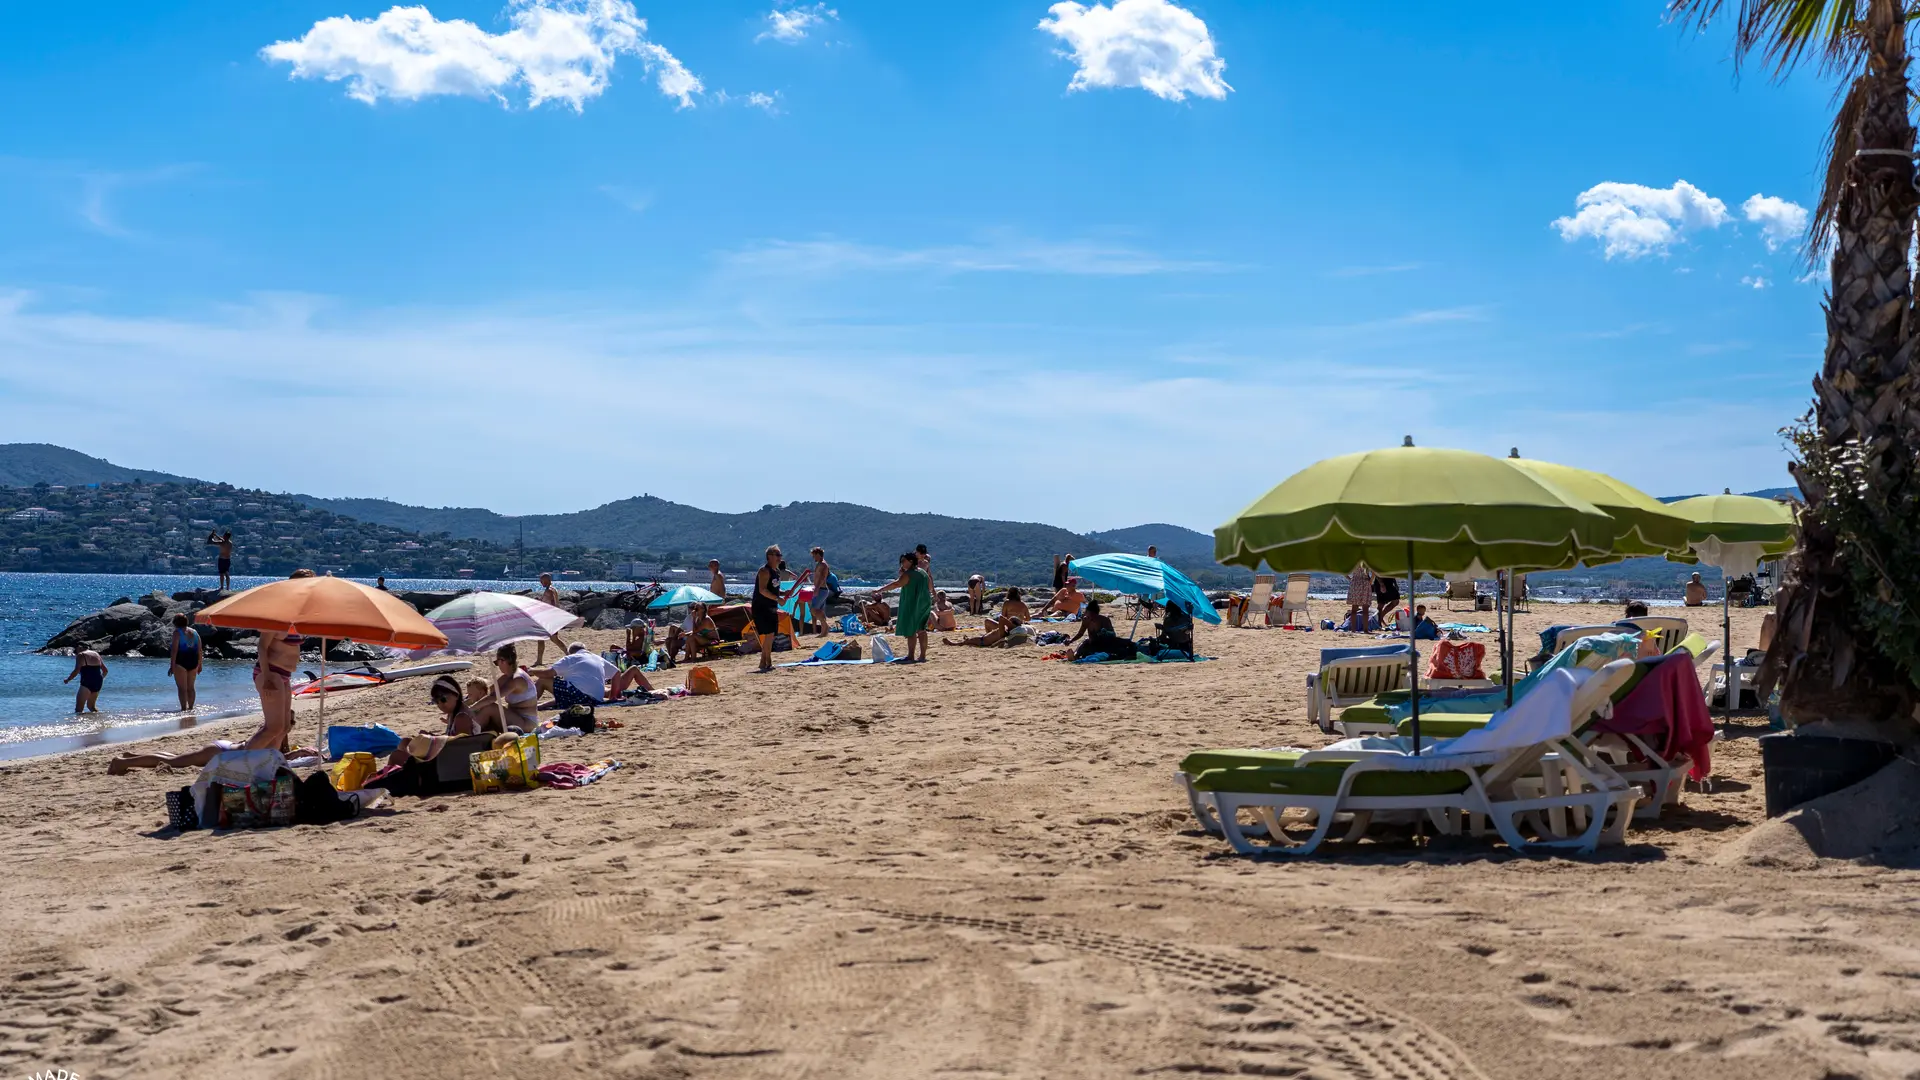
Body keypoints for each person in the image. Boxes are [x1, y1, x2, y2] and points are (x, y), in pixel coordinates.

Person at [868, 553, 933, 662]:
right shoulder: (923, 572)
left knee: (911, 630)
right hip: (924, 602)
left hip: (912, 603)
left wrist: (880, 590)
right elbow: (930, 587)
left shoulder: (909, 574)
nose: (902, 563)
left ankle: (911, 656)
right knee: (921, 629)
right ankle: (922, 656)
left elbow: (896, 584)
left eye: (903, 561)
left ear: (911, 561)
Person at [549, 642, 650, 705]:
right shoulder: (594, 659)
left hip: (611, 690)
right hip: (611, 688)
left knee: (633, 669)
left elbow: (559, 699)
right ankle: (652, 691)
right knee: (633, 669)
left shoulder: (576, 663)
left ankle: (652, 691)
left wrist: (613, 697)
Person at [468, 643, 539, 733]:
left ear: (502, 661)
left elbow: (492, 698)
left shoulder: (516, 679)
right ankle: (470, 729)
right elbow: (490, 691)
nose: (497, 666)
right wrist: (465, 703)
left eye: (496, 663)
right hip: (516, 718)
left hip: (527, 723)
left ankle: (470, 733)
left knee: (490, 707)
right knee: (483, 704)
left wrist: (470, 709)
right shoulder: (508, 676)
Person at [944, 587, 1030, 648]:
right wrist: (1020, 619)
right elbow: (1028, 618)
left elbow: (1003, 617)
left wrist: (1009, 620)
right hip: (1015, 625)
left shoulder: (1007, 603)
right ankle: (987, 637)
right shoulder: (1023, 604)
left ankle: (986, 637)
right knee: (985, 636)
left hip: (1006, 626)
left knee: (987, 622)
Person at [752, 545, 785, 673]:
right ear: (770, 556)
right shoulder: (764, 571)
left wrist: (782, 593)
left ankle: (763, 661)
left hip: (771, 607)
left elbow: (773, 589)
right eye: (777, 555)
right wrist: (778, 599)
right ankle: (767, 661)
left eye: (780, 555)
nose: (779, 558)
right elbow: (762, 590)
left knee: (770, 635)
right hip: (761, 607)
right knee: (769, 634)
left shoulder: (776, 572)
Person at [167, 614, 202, 712]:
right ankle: (190, 708)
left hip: (181, 662)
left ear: (176, 623)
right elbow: (199, 650)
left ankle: (183, 709)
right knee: (191, 688)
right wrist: (200, 665)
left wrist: (172, 666)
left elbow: (174, 650)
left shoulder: (177, 633)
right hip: (193, 661)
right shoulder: (195, 632)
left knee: (182, 688)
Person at [534, 573, 569, 663]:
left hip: (549, 618)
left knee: (547, 638)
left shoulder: (550, 590)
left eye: (542, 581)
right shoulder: (552, 589)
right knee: (552, 639)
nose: (541, 583)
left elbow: (553, 603)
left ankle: (539, 660)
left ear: (547, 581)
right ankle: (568, 654)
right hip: (550, 617)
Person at [65, 648, 108, 713]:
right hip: (98, 682)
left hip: (87, 682)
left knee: (79, 709)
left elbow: (76, 670)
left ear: (79, 647)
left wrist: (68, 679)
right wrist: (99, 679)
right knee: (91, 706)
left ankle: (78, 723)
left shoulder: (81, 655)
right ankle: (98, 720)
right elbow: (105, 671)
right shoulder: (96, 654)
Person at [807, 547, 833, 637]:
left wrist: (817, 589)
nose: (813, 557)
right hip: (821, 589)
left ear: (818, 554)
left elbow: (822, 578)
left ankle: (826, 626)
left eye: (814, 555)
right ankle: (824, 632)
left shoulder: (822, 564)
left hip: (821, 590)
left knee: (813, 610)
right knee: (820, 611)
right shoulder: (820, 564)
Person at [1345, 564, 1375, 630]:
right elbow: (1374, 572)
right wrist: (1370, 582)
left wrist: (1350, 579)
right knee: (1365, 608)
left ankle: (1353, 629)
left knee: (1354, 608)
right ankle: (1365, 629)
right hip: (1365, 582)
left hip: (1355, 583)